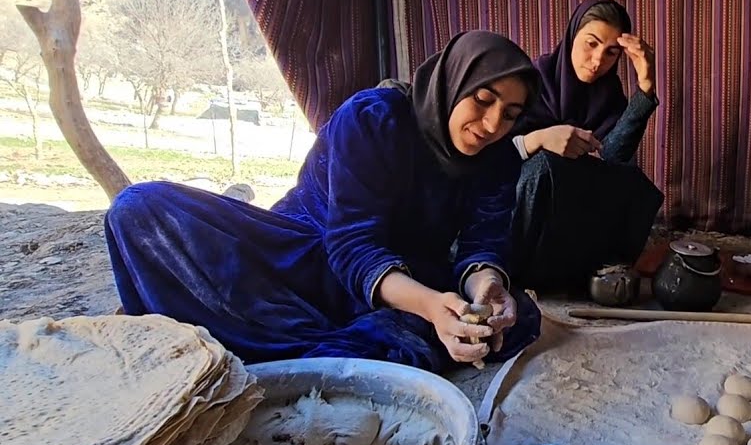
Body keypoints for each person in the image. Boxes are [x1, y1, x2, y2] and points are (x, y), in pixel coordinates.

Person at [104, 30, 542, 373]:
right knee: (139, 208)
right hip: (302, 255)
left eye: (510, 114)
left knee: (518, 319)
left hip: (403, 276)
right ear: (453, 82)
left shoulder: (498, 158)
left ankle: (303, 343)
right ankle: (341, 344)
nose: (491, 124)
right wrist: (431, 307)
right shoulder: (374, 119)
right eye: (482, 100)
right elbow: (351, 244)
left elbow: (482, 243)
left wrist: (485, 289)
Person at [509, 0, 664, 291]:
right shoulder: (529, 81)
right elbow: (491, 155)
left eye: (611, 53)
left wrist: (645, 88)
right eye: (590, 44)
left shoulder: (608, 94)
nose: (597, 62)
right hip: (522, 199)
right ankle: (511, 273)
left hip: (572, 204)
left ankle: (595, 276)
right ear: (571, 36)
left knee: (636, 186)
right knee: (544, 167)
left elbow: (613, 158)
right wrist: (540, 139)